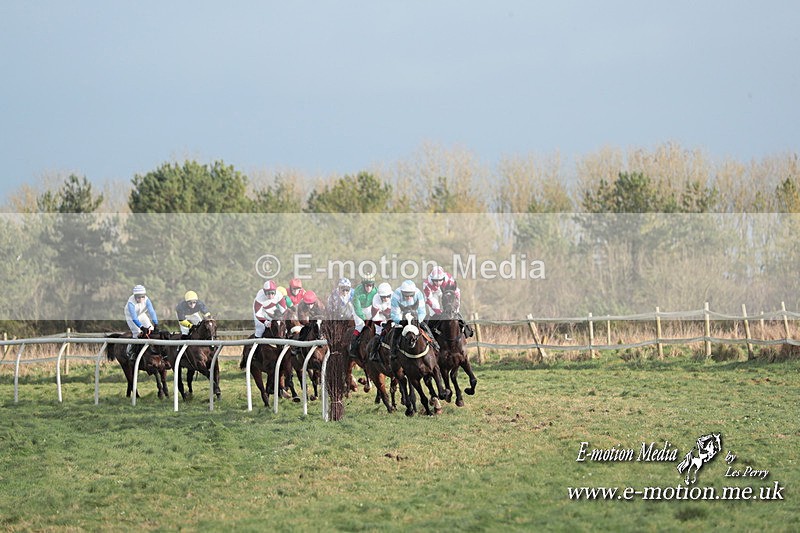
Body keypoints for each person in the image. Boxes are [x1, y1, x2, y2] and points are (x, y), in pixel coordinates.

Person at [389, 280, 438, 355]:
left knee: (425, 327)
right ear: (402, 293)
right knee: (397, 329)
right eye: (406, 295)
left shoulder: (418, 294)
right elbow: (394, 314)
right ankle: (393, 352)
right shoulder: (396, 295)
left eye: (411, 295)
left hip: (414, 317)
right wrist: (401, 322)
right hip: (402, 316)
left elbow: (422, 312)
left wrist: (416, 321)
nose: (409, 297)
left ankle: (434, 344)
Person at [422, 265, 473, 337]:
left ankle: (466, 328)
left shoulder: (449, 280)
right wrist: (439, 312)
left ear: (443, 278)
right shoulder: (426, 284)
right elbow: (429, 300)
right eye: (435, 281)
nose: (438, 282)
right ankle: (429, 332)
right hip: (433, 294)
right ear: (431, 279)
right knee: (433, 313)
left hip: (446, 291)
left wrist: (456, 309)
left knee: (453, 310)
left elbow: (456, 294)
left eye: (440, 280)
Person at [124, 284, 159, 360]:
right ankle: (131, 351)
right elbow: (134, 317)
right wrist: (141, 327)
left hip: (141, 314)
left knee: (152, 330)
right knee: (137, 333)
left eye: (142, 296)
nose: (140, 299)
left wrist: (156, 323)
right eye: (138, 297)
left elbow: (152, 311)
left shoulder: (147, 300)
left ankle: (153, 350)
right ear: (134, 296)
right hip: (131, 317)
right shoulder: (131, 303)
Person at [349, 276, 377, 356]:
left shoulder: (376, 291)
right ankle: (353, 347)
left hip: (368, 308)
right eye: (367, 286)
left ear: (373, 285)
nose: (368, 288)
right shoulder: (358, 291)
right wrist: (364, 318)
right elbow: (357, 308)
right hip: (358, 308)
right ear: (363, 285)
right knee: (360, 325)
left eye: (370, 285)